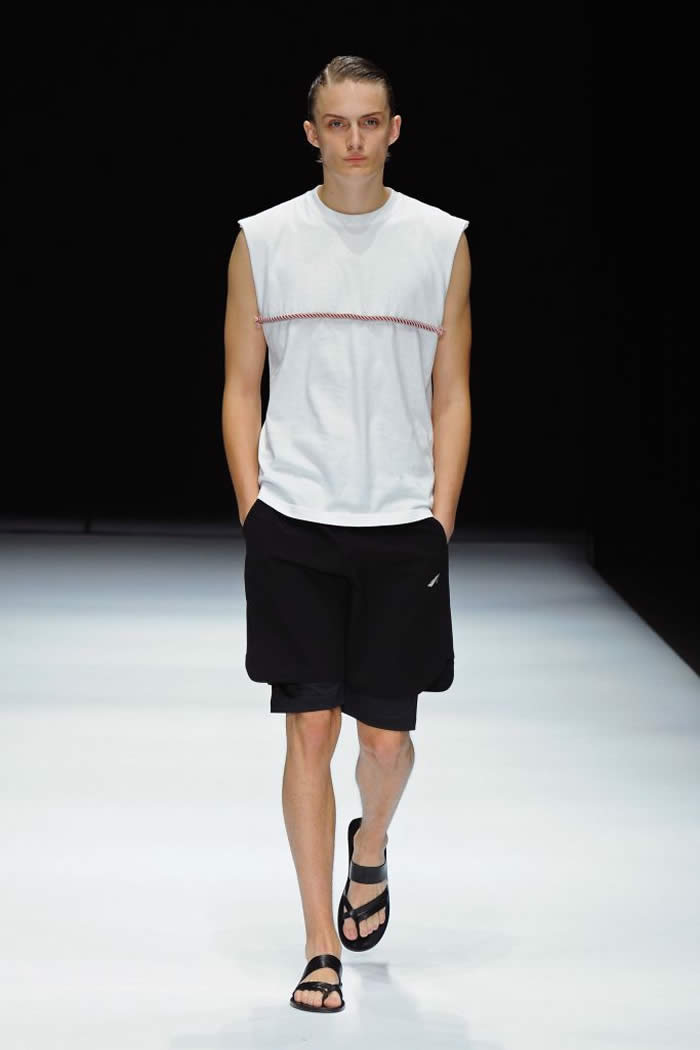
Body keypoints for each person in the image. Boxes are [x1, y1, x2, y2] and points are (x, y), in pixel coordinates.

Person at [222, 55, 472, 1013]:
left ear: (395, 130)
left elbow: (452, 390)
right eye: (338, 123)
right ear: (312, 133)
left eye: (371, 122)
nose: (355, 140)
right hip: (294, 518)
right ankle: (319, 945)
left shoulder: (440, 241)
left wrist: (441, 516)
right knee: (308, 730)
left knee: (386, 741)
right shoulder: (264, 240)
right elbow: (240, 384)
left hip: (401, 522)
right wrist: (254, 507)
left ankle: (370, 846)